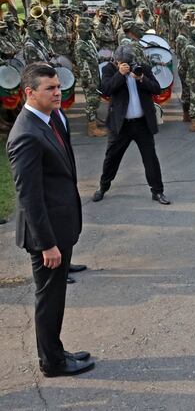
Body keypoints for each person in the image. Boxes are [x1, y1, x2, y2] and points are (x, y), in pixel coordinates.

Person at [6, 63, 95, 377]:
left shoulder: (54, 117)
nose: (58, 92)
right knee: (49, 299)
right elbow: (29, 196)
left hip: (61, 223)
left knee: (56, 296)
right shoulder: (26, 135)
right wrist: (47, 244)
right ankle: (52, 363)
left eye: (58, 86)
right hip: (47, 235)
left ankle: (55, 351)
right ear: (29, 92)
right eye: (50, 88)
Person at [92, 45, 170, 205]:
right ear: (116, 61)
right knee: (111, 158)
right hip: (121, 125)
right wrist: (120, 75)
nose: (126, 65)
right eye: (122, 63)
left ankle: (158, 192)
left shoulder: (142, 68)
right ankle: (103, 187)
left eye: (129, 62)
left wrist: (141, 79)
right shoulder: (110, 69)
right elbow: (105, 90)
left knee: (151, 159)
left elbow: (157, 89)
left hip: (142, 124)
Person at [74, 17, 108, 138]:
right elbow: (83, 66)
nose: (90, 33)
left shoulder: (88, 42)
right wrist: (89, 82)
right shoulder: (79, 46)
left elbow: (94, 58)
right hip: (89, 79)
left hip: (95, 75)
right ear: (81, 32)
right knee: (91, 102)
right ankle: (92, 128)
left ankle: (94, 119)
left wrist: (106, 59)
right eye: (88, 32)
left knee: (96, 100)